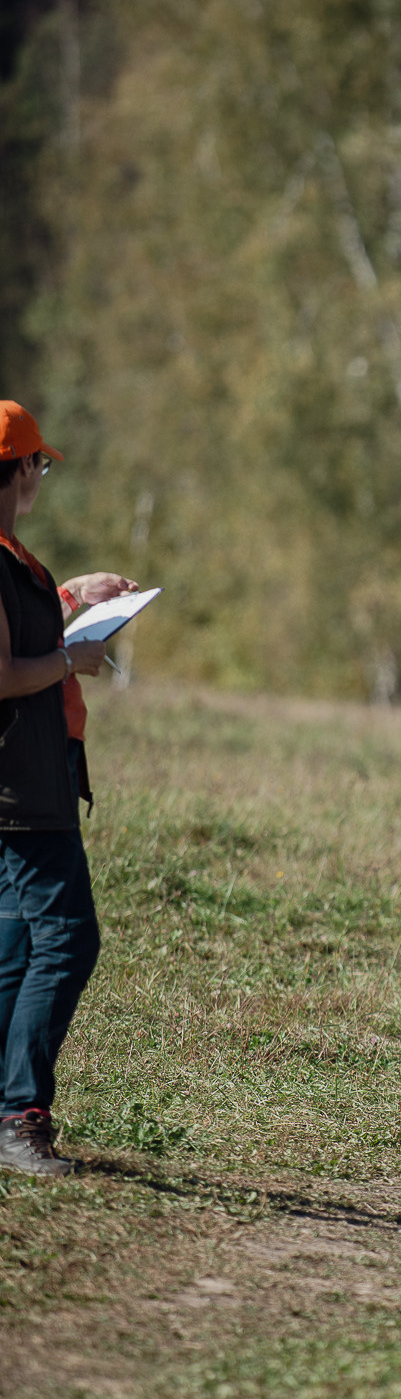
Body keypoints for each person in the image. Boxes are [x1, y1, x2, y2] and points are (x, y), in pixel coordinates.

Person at [0, 401, 137, 1177]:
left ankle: (7, 1109)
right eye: (39, 464)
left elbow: (19, 634)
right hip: (21, 793)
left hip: (36, 780)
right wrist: (70, 664)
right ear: (20, 469)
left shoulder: (13, 556)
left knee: (16, 950)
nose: (40, 476)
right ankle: (21, 1119)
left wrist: (72, 596)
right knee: (68, 940)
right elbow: (4, 673)